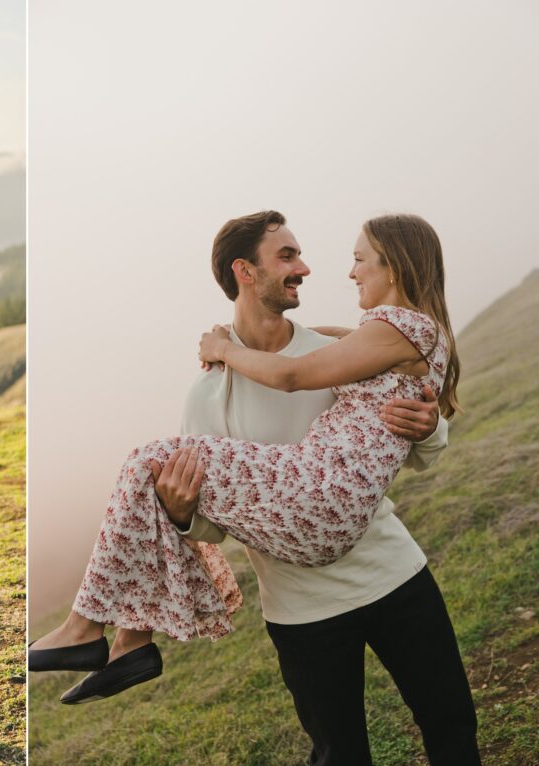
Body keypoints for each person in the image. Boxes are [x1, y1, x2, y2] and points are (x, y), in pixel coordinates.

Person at [29, 211, 480, 764]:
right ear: (245, 271)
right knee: (341, 756)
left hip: (391, 575)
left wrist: (433, 427)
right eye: (287, 256)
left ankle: (104, 634)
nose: (309, 268)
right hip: (302, 606)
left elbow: (412, 443)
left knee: (451, 723)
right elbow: (214, 526)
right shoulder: (211, 395)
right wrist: (181, 514)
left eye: (353, 258)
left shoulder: (338, 355)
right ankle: (124, 640)